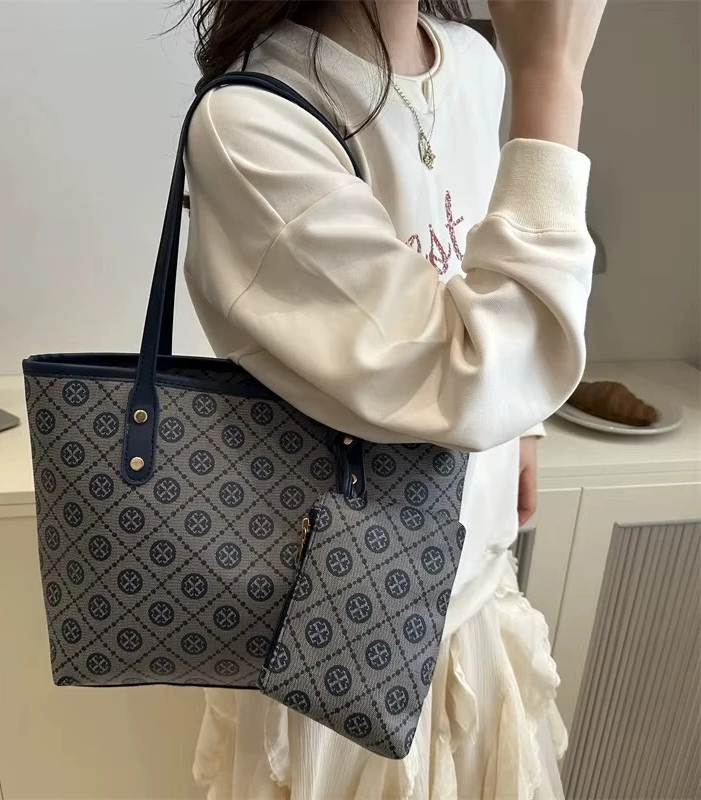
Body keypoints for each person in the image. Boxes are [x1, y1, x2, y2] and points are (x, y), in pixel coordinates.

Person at [180, 1, 606, 797]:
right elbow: (472, 378)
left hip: (478, 591)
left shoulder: (473, 62)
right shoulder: (254, 123)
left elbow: (482, 286)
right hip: (342, 638)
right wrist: (553, 83)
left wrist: (525, 428)